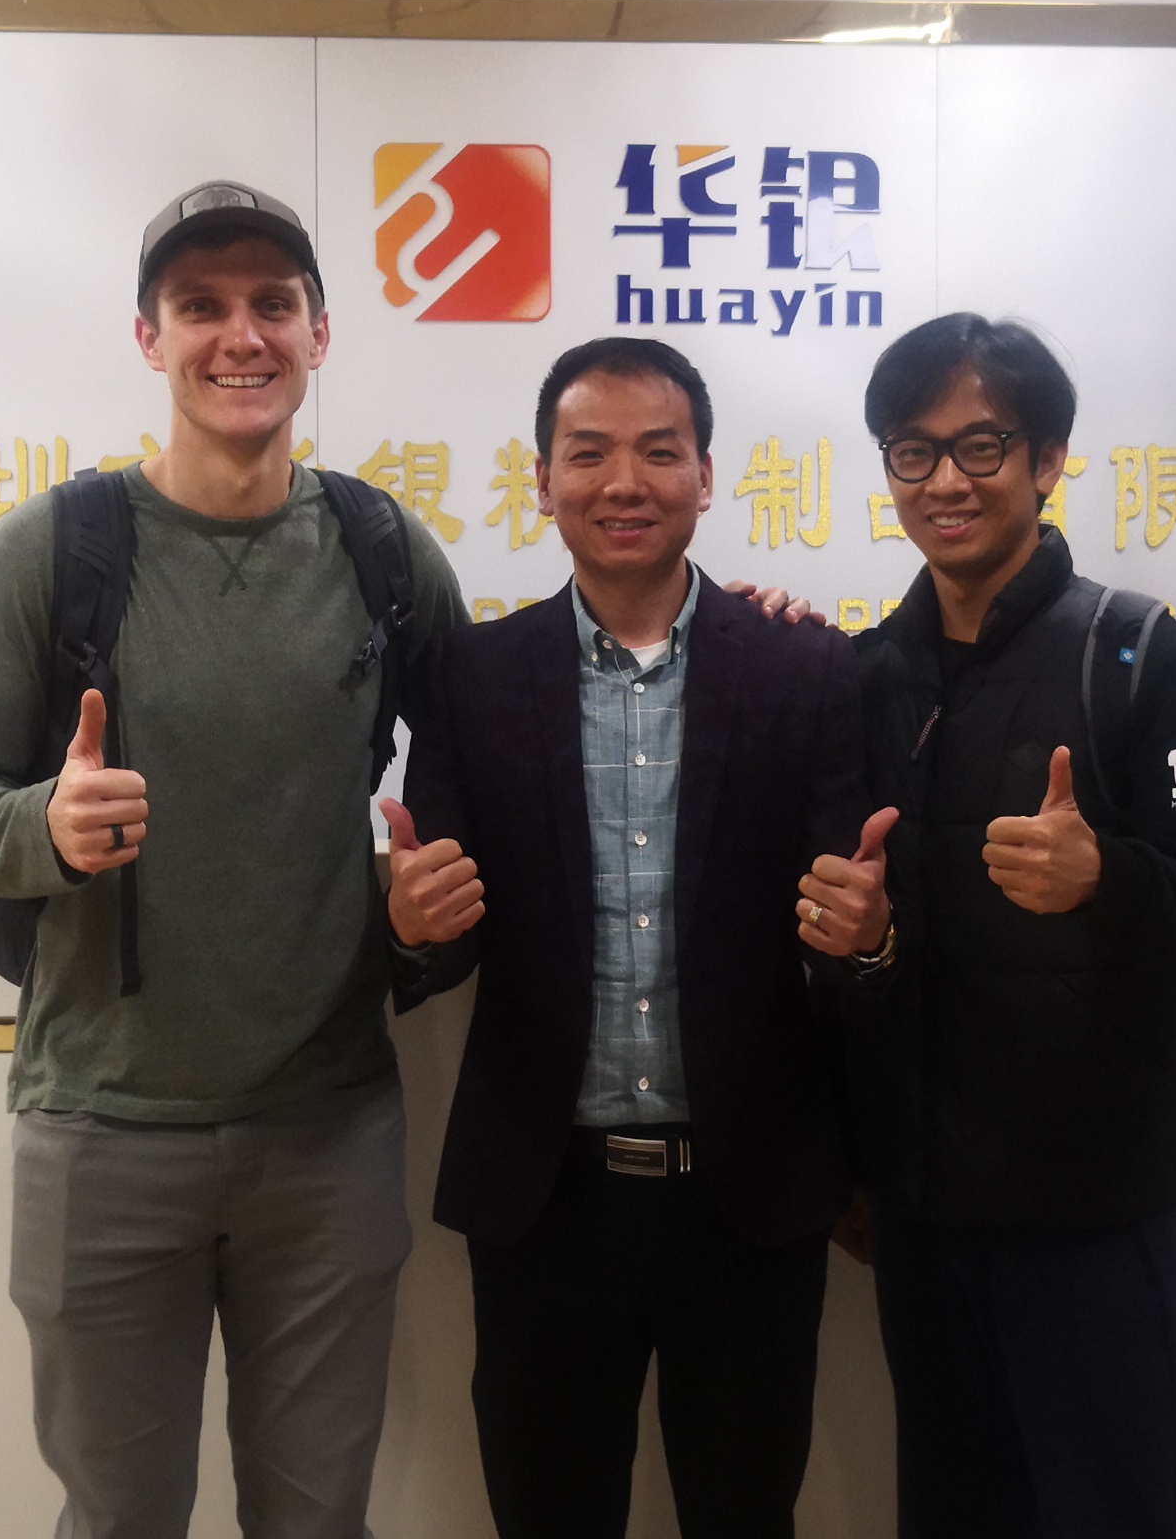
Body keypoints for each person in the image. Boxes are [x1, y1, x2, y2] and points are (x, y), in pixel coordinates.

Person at [0, 179, 467, 1539]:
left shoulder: (383, 550)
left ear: (320, 335)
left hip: (329, 1133)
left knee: (316, 1521)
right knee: (119, 1520)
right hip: (102, 1131)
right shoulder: (53, 552)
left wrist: (422, 905)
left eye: (273, 305)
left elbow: (486, 767)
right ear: (149, 337)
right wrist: (47, 827)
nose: (241, 336)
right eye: (201, 306)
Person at [384, 336, 890, 1539]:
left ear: (706, 477)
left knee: (746, 1516)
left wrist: (869, 939)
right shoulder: (472, 676)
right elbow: (444, 932)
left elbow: (843, 930)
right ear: (543, 480)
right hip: (545, 1200)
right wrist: (409, 930)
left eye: (660, 452)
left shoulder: (808, 668)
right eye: (589, 453)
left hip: (750, 1198)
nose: (625, 481)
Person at [842, 313, 1176, 1539]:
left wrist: (1105, 879)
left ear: (1047, 460)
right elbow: (859, 951)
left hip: (1099, 1215)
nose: (945, 481)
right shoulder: (868, 679)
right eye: (913, 451)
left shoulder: (1141, 660)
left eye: (980, 446)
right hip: (924, 1219)